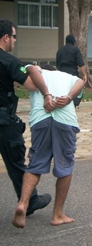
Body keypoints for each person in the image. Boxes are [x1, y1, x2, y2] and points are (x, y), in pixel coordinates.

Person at [12, 64, 85, 228]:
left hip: (40, 119)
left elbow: (29, 69)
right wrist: (67, 98)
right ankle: (57, 214)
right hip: (65, 121)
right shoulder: (67, 76)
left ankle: (23, 203)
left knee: (35, 164)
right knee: (65, 166)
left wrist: (46, 95)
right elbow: (81, 81)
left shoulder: (34, 69)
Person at [0, 19, 53, 218]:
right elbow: (31, 85)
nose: (14, 41)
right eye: (14, 37)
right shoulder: (9, 61)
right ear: (6, 38)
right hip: (3, 121)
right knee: (16, 163)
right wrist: (37, 71)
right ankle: (29, 201)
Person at [56, 34, 87, 107]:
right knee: (77, 89)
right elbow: (81, 64)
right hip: (72, 73)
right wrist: (84, 74)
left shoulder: (60, 50)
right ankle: (74, 102)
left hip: (61, 73)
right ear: (73, 41)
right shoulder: (75, 50)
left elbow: (57, 64)